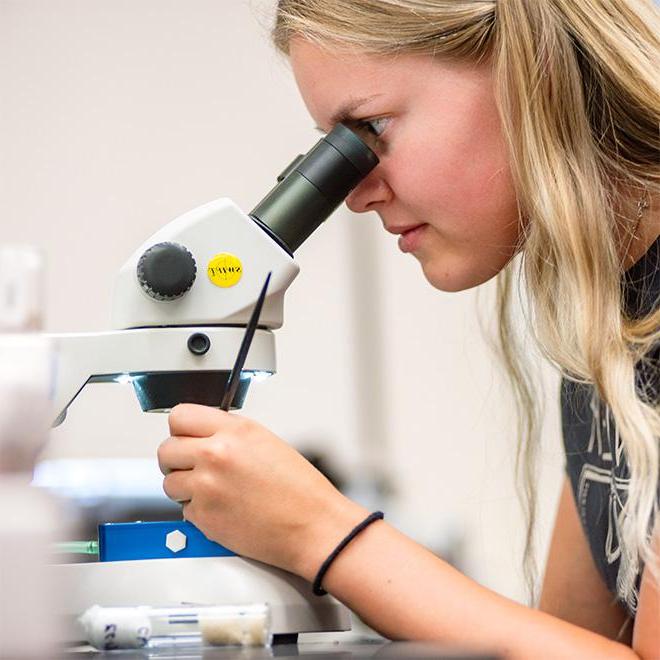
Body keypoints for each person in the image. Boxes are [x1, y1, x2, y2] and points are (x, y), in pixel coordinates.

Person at [157, 1, 660, 656]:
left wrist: (324, 534)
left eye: (370, 127)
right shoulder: (611, 324)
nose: (356, 193)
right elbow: (574, 642)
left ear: (528, 70)